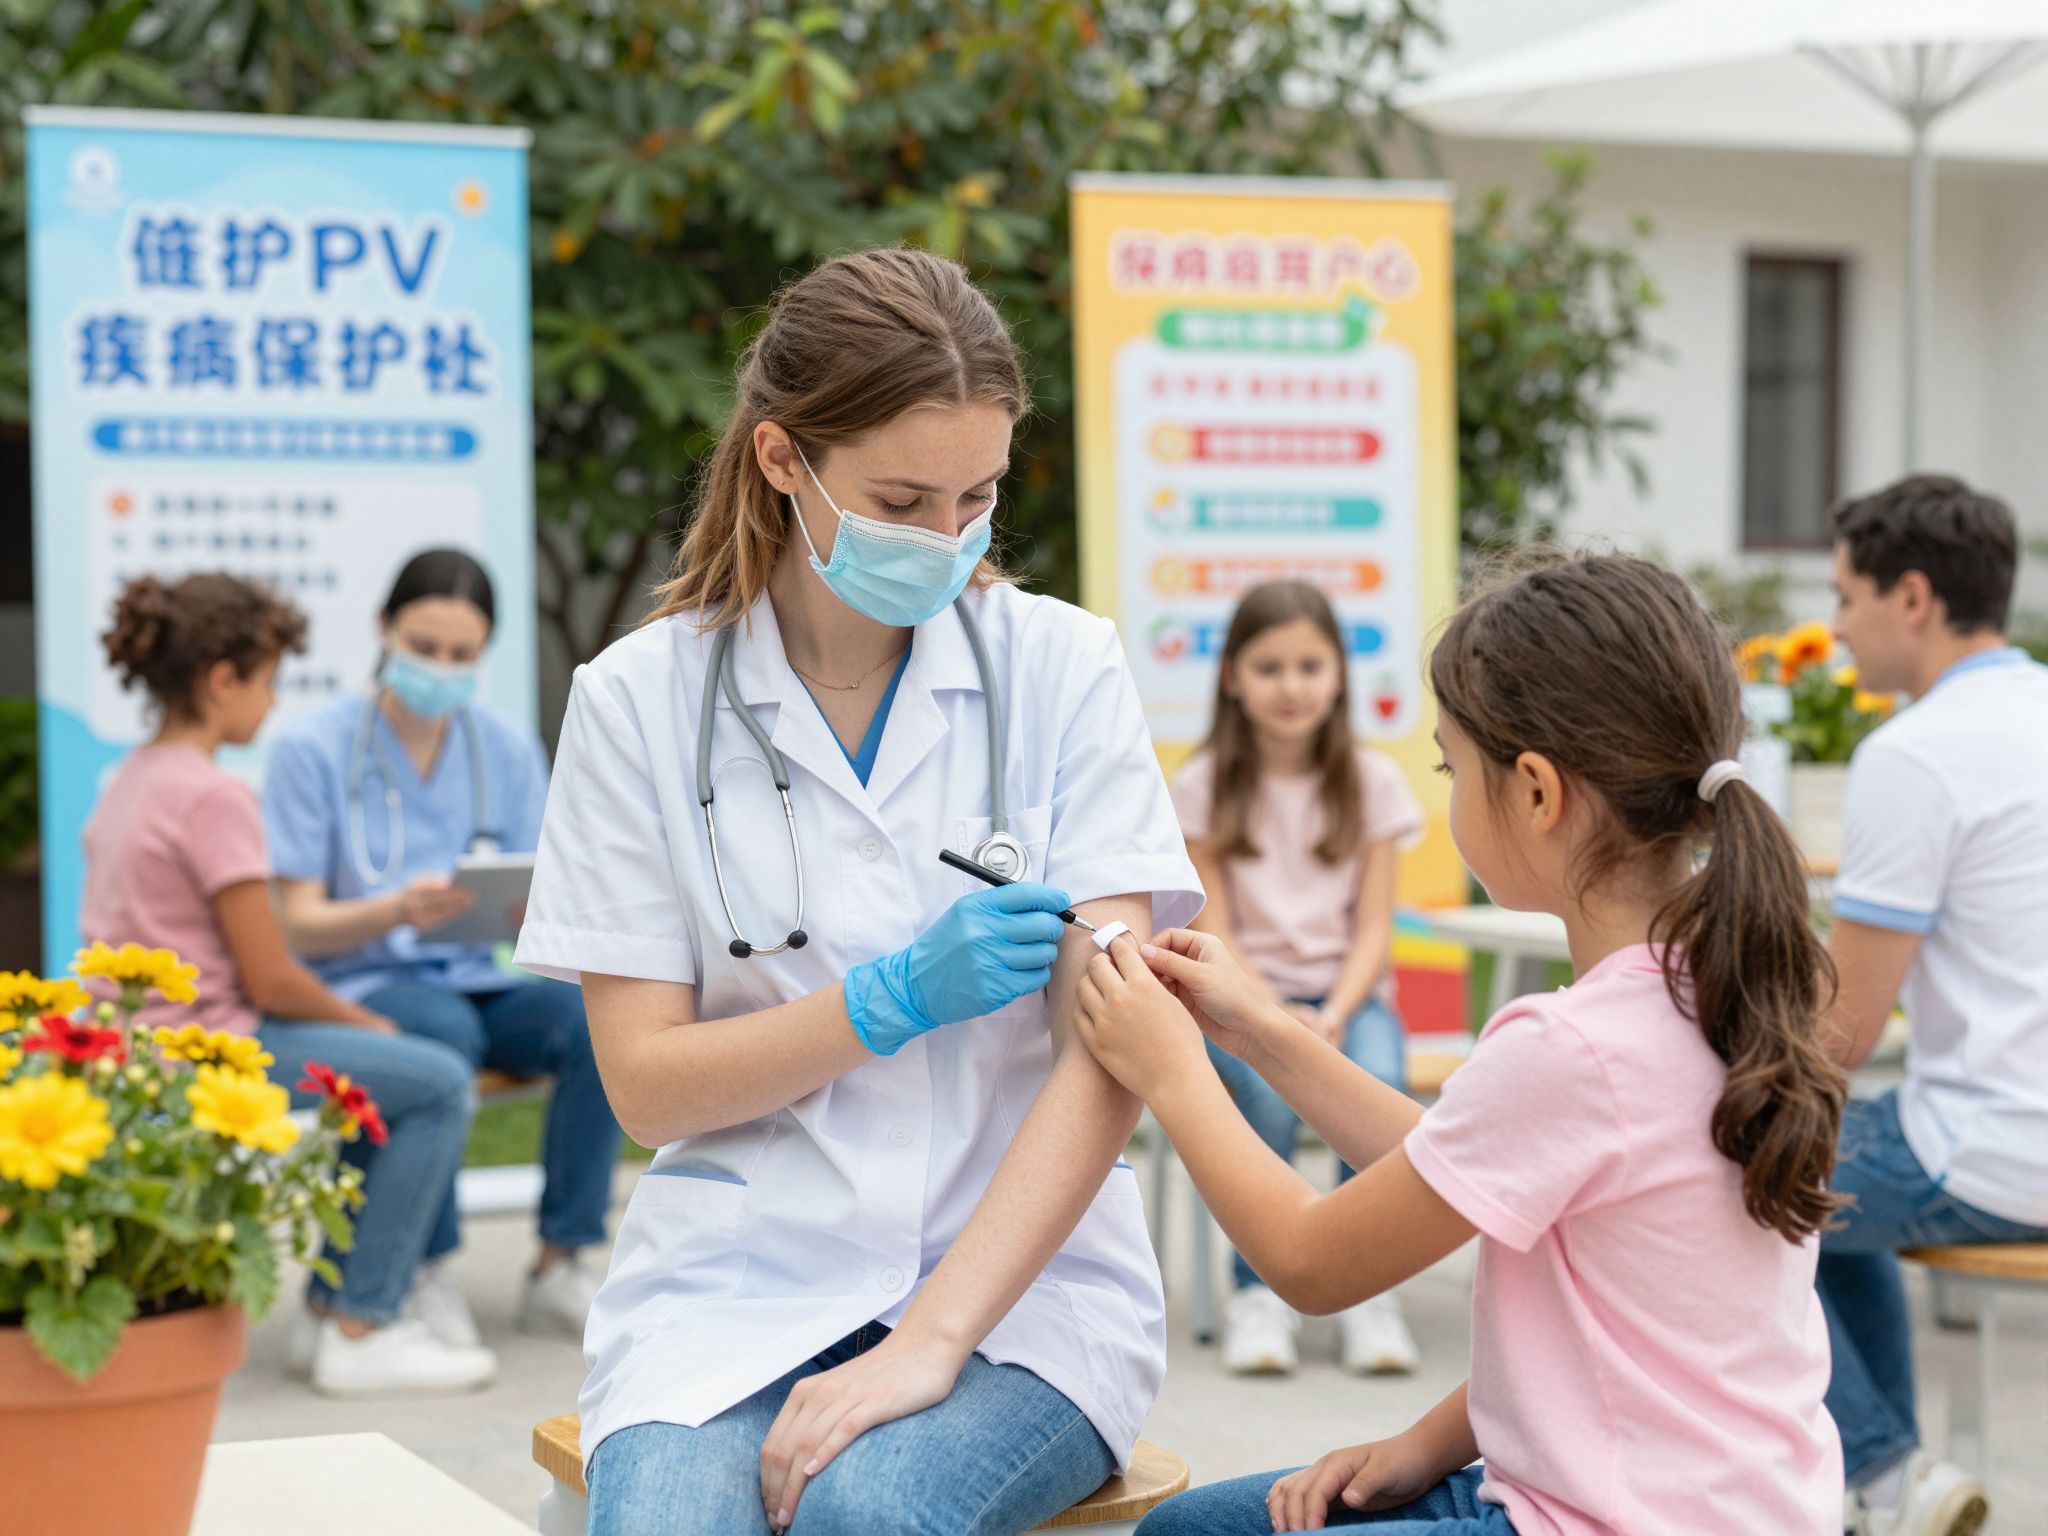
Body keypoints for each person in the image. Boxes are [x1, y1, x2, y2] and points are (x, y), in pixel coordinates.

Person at [511, 248, 1203, 1536]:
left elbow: (1113, 1054)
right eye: (902, 499)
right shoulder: (636, 701)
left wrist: (933, 1338)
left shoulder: (1062, 669)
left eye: (976, 496)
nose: (947, 539)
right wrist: (879, 1004)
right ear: (783, 459)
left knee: (869, 1514)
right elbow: (646, 1082)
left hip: (1020, 1293)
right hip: (736, 1279)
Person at [1075, 551, 1847, 1536]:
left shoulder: (1573, 1047)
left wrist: (1172, 1070)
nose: (1444, 794)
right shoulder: (1723, 988)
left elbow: (1311, 1266)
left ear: (1534, 791)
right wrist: (1263, 1031)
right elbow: (1460, 1168)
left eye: (1449, 765)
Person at [80, 573, 493, 1398]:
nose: (272, 703)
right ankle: (362, 1324)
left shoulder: (128, 782)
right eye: (267, 681)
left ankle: (329, 1311)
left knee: (397, 1076)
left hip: (132, 1050)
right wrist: (366, 1027)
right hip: (212, 1048)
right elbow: (271, 975)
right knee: (436, 1081)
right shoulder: (215, 797)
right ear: (222, 681)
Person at [262, 549, 621, 1343]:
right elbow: (297, 926)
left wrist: (525, 907)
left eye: (462, 655)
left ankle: (562, 1259)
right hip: (362, 981)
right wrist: (394, 910)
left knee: (599, 1020)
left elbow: (538, 883)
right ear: (383, 630)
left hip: (477, 973)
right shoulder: (313, 750)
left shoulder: (503, 746)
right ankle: (428, 1271)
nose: (441, 667)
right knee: (442, 1037)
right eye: (423, 647)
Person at [1817, 474, 2046, 1536]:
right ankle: (1886, 1477)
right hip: (2006, 1128)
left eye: (1844, 599)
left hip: (1999, 1152)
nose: (1834, 631)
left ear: (1910, 599)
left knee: (1732, 1171)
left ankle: (1877, 1473)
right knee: (1821, 1171)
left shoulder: (1914, 752)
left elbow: (1838, 1034)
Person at [1169, 580, 1424, 1377]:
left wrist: (1336, 1011)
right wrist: (1271, 1015)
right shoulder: (1203, 786)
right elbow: (1217, 929)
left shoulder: (1373, 781)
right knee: (1267, 1102)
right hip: (1241, 1002)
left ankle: (1367, 1289)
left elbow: (1376, 927)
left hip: (1351, 1004)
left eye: (1309, 666)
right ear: (1232, 678)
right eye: (1270, 666)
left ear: (1340, 675)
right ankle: (1258, 1293)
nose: (1291, 685)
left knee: (1376, 1083)